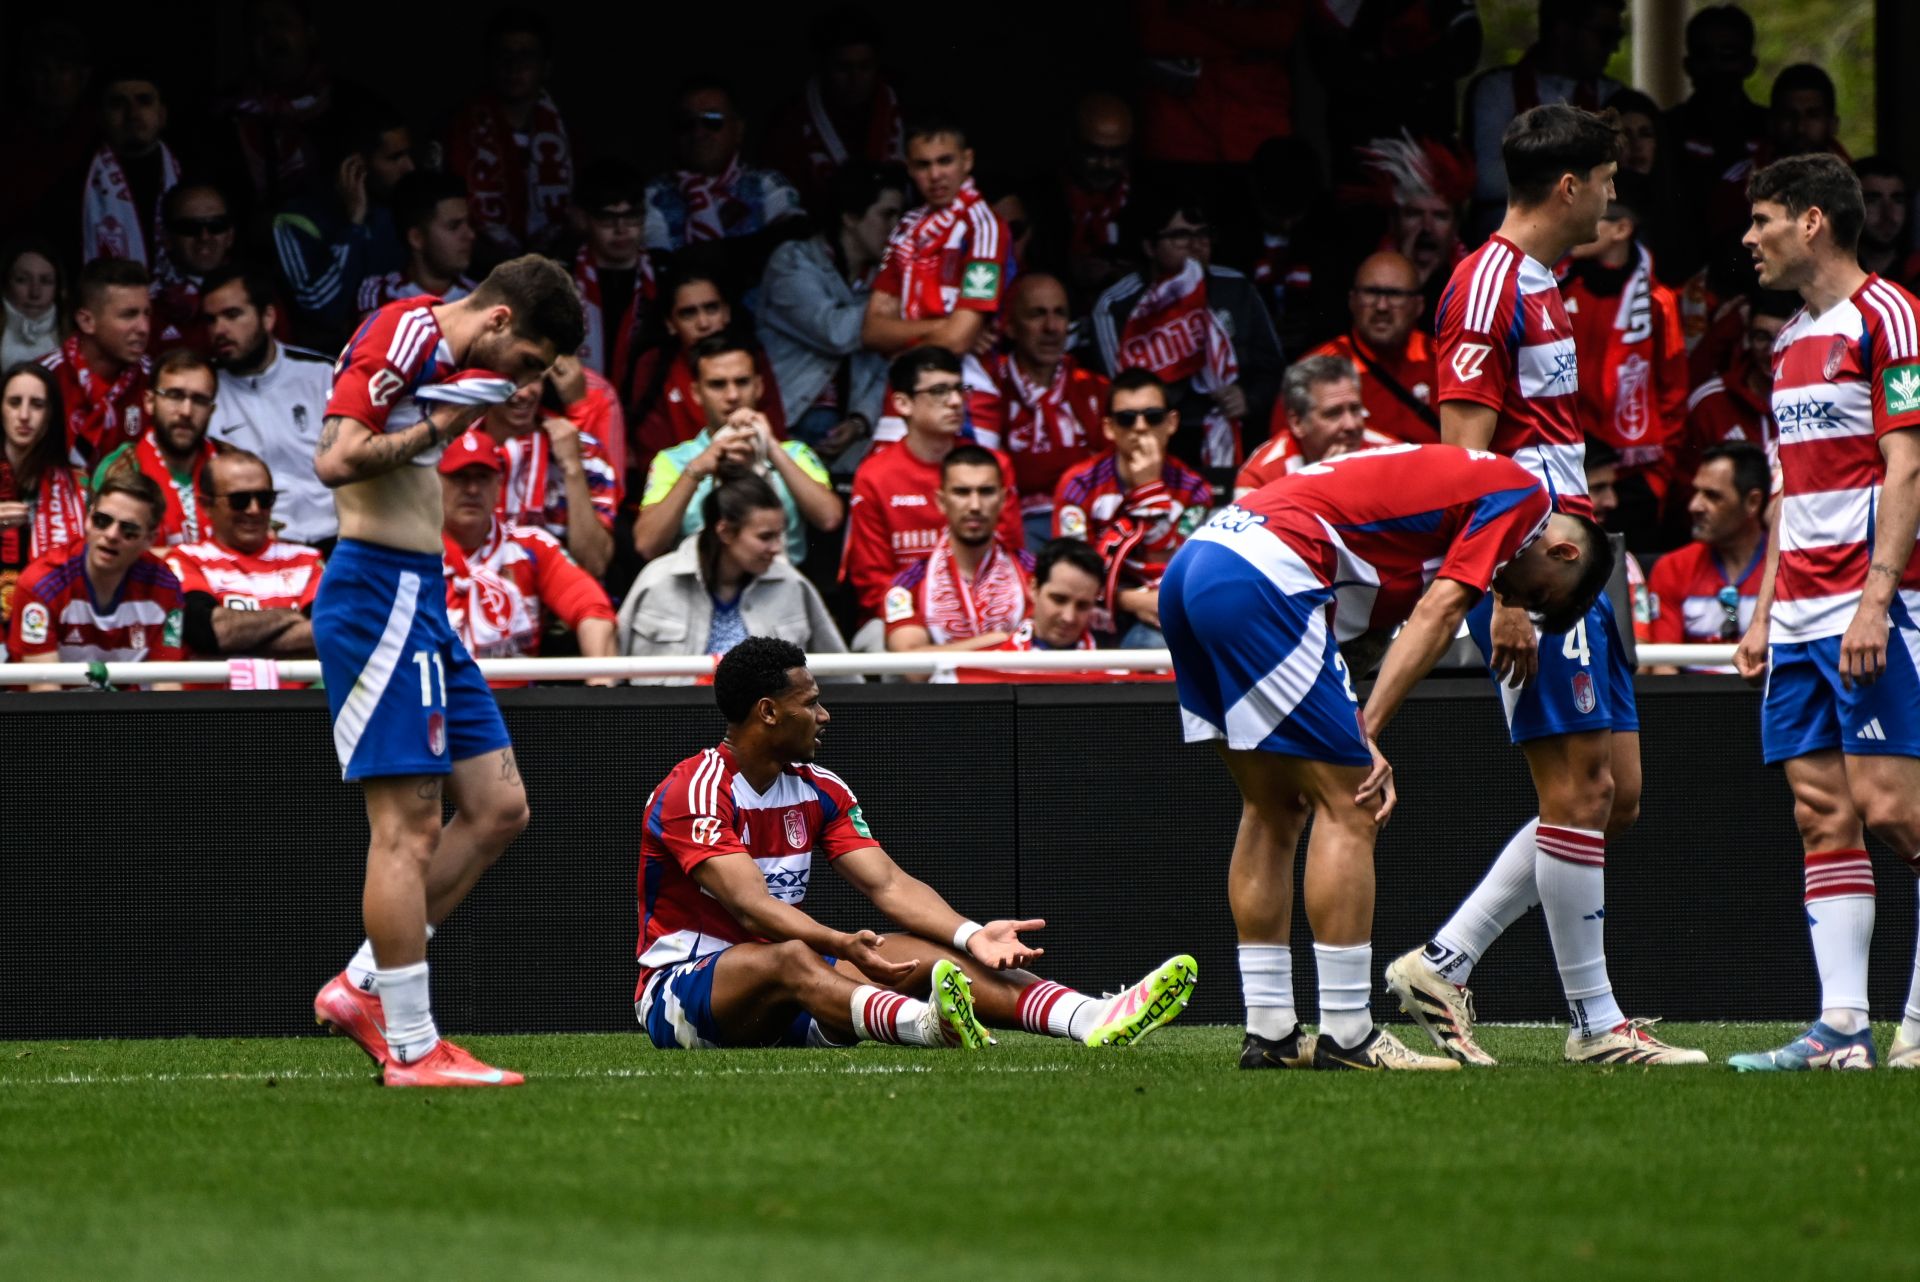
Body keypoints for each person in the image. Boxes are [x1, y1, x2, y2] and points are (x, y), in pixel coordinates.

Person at [1388, 104, 1706, 1068]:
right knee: (1578, 789)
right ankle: (1595, 1025)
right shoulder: (1484, 288)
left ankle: (1445, 959)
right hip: (1531, 571)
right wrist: (1507, 595)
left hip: (1577, 559)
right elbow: (1464, 462)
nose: (1616, 198)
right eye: (1608, 181)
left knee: (1617, 793)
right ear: (1569, 187)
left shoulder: (1546, 283)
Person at [1161, 442, 1613, 1070]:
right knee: (1354, 802)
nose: (1518, 603)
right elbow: (1440, 608)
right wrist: (1366, 733)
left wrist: (1351, 721)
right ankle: (1347, 1034)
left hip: (1197, 565)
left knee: (1271, 807)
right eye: (1541, 597)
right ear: (1561, 552)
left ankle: (1270, 1033)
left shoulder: (1433, 514)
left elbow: (1360, 639)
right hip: (1265, 576)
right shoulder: (1522, 497)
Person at [633, 634, 1198, 1052]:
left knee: (918, 951)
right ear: (768, 712)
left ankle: (1089, 1016)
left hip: (785, 999)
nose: (823, 715)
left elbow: (890, 884)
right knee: (793, 956)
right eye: (810, 703)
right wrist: (840, 943)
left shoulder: (819, 786)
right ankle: (925, 1024)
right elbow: (751, 906)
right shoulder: (695, 790)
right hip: (681, 996)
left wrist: (973, 936)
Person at [307, 254, 584, 1088]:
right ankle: (415, 1049)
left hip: (422, 601)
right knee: (408, 828)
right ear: (500, 321)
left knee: (499, 806)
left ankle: (363, 985)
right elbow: (336, 457)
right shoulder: (407, 333)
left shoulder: (433, 349)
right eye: (529, 363)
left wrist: (448, 407)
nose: (525, 383)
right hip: (376, 596)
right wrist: (446, 424)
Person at [1728, 154, 1920, 1072]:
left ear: (1811, 222)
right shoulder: (1783, 343)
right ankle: (1842, 1030)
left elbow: (1908, 466)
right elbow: (1785, 492)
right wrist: (1763, 612)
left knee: (1895, 812)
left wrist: (1878, 601)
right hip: (1799, 612)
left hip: (1871, 607)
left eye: (1761, 219)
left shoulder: (1892, 316)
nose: (1748, 238)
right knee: (1820, 814)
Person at [1091, 190, 1283, 468]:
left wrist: (1247, 396)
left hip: (1232, 438)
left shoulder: (1236, 288)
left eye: (1203, 234)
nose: (1196, 245)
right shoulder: (1116, 305)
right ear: (1149, 246)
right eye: (1180, 236)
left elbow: (1274, 368)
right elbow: (1118, 393)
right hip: (1155, 444)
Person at [842, 348, 1024, 633]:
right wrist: (936, 616)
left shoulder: (993, 466)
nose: (955, 402)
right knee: (880, 640)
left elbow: (1009, 553)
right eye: (939, 391)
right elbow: (873, 582)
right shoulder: (874, 476)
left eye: (958, 389)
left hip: (988, 612)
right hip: (903, 619)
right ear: (903, 403)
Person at [1561, 173, 1689, 550]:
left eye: (1592, 218)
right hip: (1573, 461)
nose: (1576, 227)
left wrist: (1657, 479)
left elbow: (1674, 392)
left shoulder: (1657, 300)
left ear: (1621, 229)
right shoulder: (1557, 286)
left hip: (1637, 475)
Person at [635, 334, 839, 567]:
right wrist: (697, 470)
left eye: (742, 382)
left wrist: (771, 448)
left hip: (779, 589)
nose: (732, 396)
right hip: (696, 588)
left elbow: (829, 518)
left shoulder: (794, 454)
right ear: (696, 393)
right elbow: (647, 544)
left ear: (759, 386)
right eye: (717, 385)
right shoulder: (673, 461)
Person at [618, 474, 845, 676]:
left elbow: (841, 676)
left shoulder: (792, 584)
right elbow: (612, 670)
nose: (777, 547)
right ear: (725, 531)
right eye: (766, 537)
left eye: (779, 535)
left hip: (769, 723)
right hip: (672, 722)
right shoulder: (657, 581)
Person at [437, 429, 615, 685]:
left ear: (499, 486)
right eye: (459, 478)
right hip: (438, 704)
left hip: (520, 710)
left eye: (483, 477)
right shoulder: (413, 553)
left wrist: (601, 694)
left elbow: (595, 612)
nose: (473, 489)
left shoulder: (530, 545)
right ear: (434, 483)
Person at [1053, 369, 1212, 646]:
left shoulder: (1194, 490)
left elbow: (1169, 566)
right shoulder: (1078, 485)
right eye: (1126, 419)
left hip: (1159, 609)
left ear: (1172, 423)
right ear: (1108, 427)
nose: (1140, 427)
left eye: (1153, 417)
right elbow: (1072, 571)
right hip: (1089, 609)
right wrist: (1128, 600)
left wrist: (1149, 489)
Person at [759, 161, 902, 455]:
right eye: (887, 215)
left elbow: (889, 362)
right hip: (786, 429)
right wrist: (911, 303)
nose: (897, 228)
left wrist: (861, 420)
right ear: (850, 216)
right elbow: (835, 332)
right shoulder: (792, 262)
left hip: (851, 440)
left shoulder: (886, 280)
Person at [963, 274, 1105, 550]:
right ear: (1011, 327)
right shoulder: (988, 384)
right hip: (1011, 527)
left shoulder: (1095, 389)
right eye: (1037, 314)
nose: (1051, 327)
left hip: (1084, 524)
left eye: (1059, 314)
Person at [6, 468, 183, 688]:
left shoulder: (165, 587)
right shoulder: (41, 584)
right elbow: (45, 693)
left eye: (128, 530)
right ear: (88, 520)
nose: (111, 535)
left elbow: (166, 688)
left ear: (149, 539)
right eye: (102, 520)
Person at [200, 264, 338, 548]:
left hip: (339, 539)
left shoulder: (323, 373)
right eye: (211, 320)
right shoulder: (203, 390)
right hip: (259, 546)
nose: (220, 330)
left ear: (268, 317)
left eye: (232, 315)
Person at [1461, 0, 1624, 235]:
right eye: (1605, 36)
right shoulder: (1496, 89)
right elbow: (1486, 180)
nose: (1614, 48)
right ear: (1562, 30)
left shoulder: (1614, 96)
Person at [860, 116, 1009, 366]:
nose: (935, 174)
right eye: (923, 165)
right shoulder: (904, 230)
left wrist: (903, 349)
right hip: (908, 383)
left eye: (945, 161)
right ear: (909, 168)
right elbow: (872, 332)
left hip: (967, 383)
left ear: (967, 160)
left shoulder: (984, 227)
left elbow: (957, 341)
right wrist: (944, 325)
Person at [271, 99, 414, 348]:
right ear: (356, 167)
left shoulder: (397, 207)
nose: (409, 167)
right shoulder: (297, 219)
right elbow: (323, 310)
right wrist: (353, 227)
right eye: (394, 158)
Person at [163, 447, 323, 664]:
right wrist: (291, 616)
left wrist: (232, 644)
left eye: (265, 498)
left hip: (297, 696)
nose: (255, 509)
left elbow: (327, 632)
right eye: (240, 500)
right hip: (220, 697)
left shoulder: (307, 560)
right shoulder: (184, 559)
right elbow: (212, 631)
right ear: (206, 505)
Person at [884, 444, 1033, 662]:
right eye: (962, 492)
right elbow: (912, 667)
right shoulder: (907, 585)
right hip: (942, 695)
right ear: (942, 501)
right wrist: (997, 641)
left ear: (1002, 500)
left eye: (986, 492)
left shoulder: (1033, 574)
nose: (975, 505)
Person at [628, 265, 787, 469]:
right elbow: (651, 450)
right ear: (670, 323)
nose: (703, 323)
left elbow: (775, 432)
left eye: (711, 308)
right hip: (681, 479)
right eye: (688, 314)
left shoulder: (752, 357)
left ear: (727, 313)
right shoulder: (652, 364)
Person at [642, 77, 804, 274]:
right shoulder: (653, 194)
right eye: (686, 123)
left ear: (738, 130)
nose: (698, 132)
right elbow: (657, 264)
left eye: (712, 121)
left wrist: (720, 253)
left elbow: (796, 239)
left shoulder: (765, 184)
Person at [447, 8, 573, 260]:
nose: (514, 66)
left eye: (526, 56)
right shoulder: (459, 130)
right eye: (504, 55)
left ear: (545, 66)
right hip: (479, 267)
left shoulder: (569, 131)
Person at [478, 361, 619, 579]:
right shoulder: (457, 445)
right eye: (512, 379)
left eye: (533, 377)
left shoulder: (586, 452)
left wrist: (572, 469)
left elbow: (595, 564)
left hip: (559, 603)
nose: (524, 393)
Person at [763, 5, 903, 214]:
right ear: (825, 67)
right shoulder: (791, 124)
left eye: (864, 67)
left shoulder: (901, 113)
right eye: (843, 68)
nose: (855, 79)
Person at [1641, 443, 1767, 675]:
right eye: (1696, 492)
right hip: (1695, 708)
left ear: (1753, 502)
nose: (1694, 506)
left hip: (1770, 705)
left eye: (1712, 496)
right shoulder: (1672, 568)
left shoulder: (1787, 568)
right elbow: (1663, 669)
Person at [90, 348, 220, 547]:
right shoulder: (121, 467)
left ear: (211, 410)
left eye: (199, 400)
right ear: (150, 402)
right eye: (175, 396)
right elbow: (102, 548)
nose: (186, 411)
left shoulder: (229, 465)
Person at [938, 538, 1107, 683]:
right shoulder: (977, 670)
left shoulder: (1114, 677)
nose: (1068, 617)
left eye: (1082, 606)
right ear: (1034, 588)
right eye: (1058, 599)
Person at [0, 363, 87, 642]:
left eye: (36, 405)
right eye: (14, 403)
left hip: (50, 628)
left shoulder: (77, 486)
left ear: (50, 415)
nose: (24, 416)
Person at [222, 0, 333, 208]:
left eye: (283, 23)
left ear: (310, 34)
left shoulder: (346, 107)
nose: (272, 35)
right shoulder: (224, 114)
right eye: (261, 27)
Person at [1354, 133, 1474, 324]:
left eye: (1440, 216)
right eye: (1414, 214)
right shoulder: (1365, 274)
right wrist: (1410, 276)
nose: (1426, 227)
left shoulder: (1478, 285)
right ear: (1394, 222)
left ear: (1456, 226)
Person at [43, 257, 151, 467]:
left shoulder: (155, 381)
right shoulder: (43, 378)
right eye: (129, 315)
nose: (144, 328)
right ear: (87, 321)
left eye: (147, 314)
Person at [1662, 4, 1767, 216]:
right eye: (1704, 55)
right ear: (1688, 64)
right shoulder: (1665, 130)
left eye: (1728, 55)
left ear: (1750, 64)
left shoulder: (1771, 129)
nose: (1715, 66)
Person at [80, 67, 182, 270]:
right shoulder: (77, 181)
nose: (133, 114)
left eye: (144, 101)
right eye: (118, 104)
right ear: (100, 117)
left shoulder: (188, 174)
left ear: (162, 114)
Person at [569, 161, 653, 391]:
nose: (621, 228)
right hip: (582, 408)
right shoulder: (561, 279)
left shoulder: (662, 278)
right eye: (607, 218)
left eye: (631, 216)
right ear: (583, 219)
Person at [1234, 356, 1367, 495]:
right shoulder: (1259, 480)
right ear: (1297, 423)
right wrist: (1325, 487)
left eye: (1355, 409)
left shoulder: (1386, 450)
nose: (1351, 425)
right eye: (1333, 413)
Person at [355, 171, 476, 313]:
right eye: (453, 226)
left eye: (468, 224)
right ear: (416, 238)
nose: (470, 235)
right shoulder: (380, 294)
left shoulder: (482, 298)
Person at [149, 184, 239, 356]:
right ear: (166, 237)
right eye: (189, 228)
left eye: (216, 226)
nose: (204, 237)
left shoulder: (257, 295)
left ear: (230, 235)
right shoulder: (146, 304)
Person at [2, 242, 64, 369]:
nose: (35, 293)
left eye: (46, 281)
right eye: (22, 280)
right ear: (5, 284)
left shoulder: (73, 338)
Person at [1853, 157, 1912, 284]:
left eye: (1897, 201)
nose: (1888, 213)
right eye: (1873, 200)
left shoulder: (1915, 272)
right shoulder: (1829, 275)